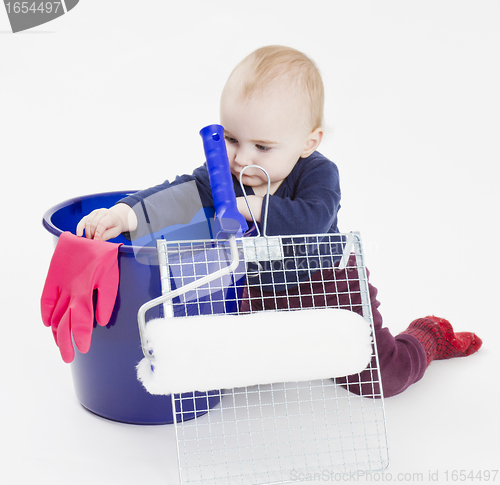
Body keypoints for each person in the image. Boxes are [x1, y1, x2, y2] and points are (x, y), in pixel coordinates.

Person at [76, 45, 482, 397]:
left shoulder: (320, 173)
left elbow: (313, 219)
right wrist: (123, 214)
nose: (242, 158)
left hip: (326, 281)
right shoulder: (226, 174)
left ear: (309, 142)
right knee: (236, 365)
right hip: (255, 288)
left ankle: (428, 336)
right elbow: (178, 194)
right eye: (232, 139)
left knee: (380, 378)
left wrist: (251, 206)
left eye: (263, 146)